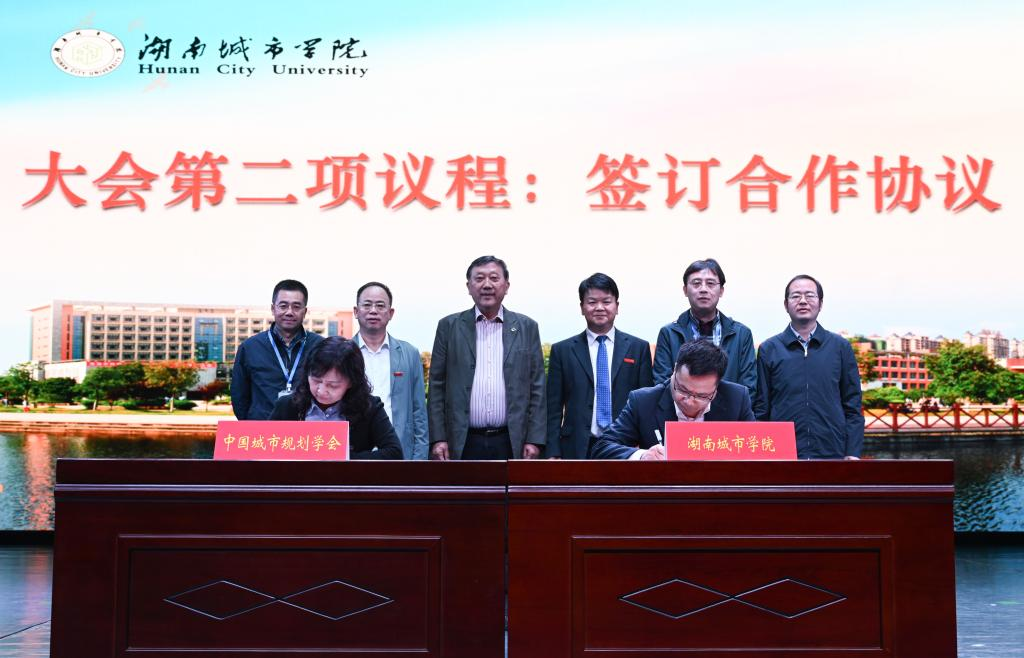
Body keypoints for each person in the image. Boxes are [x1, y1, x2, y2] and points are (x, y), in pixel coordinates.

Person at [428, 255, 545, 460]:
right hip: (462, 440)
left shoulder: (527, 327)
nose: (487, 285)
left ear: (506, 286)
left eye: (494, 278)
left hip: (512, 440)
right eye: (479, 278)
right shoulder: (448, 326)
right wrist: (438, 438)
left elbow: (537, 386)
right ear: (469, 286)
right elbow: (437, 386)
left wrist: (534, 440)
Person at [753, 274, 863, 459]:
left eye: (810, 295)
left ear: (820, 303)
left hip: (832, 450)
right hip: (782, 452)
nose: (803, 301)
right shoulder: (769, 349)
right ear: (786, 304)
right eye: (796, 296)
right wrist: (761, 453)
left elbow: (852, 405)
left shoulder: (840, 347)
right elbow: (761, 407)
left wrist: (852, 452)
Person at [545, 273, 653, 459]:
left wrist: (646, 448)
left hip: (624, 446)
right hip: (576, 446)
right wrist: (553, 451)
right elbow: (553, 408)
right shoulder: (562, 351)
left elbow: (646, 404)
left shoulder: (638, 348)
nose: (600, 307)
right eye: (592, 302)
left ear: (617, 306)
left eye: (606, 301)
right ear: (582, 307)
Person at [590, 341, 754, 460]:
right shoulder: (644, 401)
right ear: (675, 370)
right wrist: (643, 456)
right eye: (682, 389)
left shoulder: (736, 398)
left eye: (702, 396)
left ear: (717, 386)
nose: (689, 401)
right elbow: (602, 448)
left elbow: (757, 449)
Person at [270, 337, 403, 460]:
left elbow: (394, 453)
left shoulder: (368, 407)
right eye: (316, 380)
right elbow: (266, 448)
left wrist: (344, 458)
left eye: (332, 385)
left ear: (351, 382)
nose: (321, 391)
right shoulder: (288, 405)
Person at [653, 258, 756, 395]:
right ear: (685, 290)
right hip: (682, 408)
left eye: (710, 283)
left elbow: (748, 388)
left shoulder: (741, 334)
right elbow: (662, 385)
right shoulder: (669, 333)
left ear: (721, 291)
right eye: (696, 283)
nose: (703, 289)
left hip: (729, 408)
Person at [352, 281, 429, 460]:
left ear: (390, 313)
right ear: (356, 311)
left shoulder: (409, 353)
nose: (373, 311)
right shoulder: (343, 352)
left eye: (380, 306)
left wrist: (419, 459)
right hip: (356, 453)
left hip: (399, 451)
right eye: (367, 305)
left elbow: (419, 412)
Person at [231, 279, 324, 420]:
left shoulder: (320, 346)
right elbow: (239, 396)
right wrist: (250, 425)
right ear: (273, 308)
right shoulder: (250, 347)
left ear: (305, 311)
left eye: (296, 307)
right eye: (283, 306)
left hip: (306, 430)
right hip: (262, 430)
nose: (289, 312)